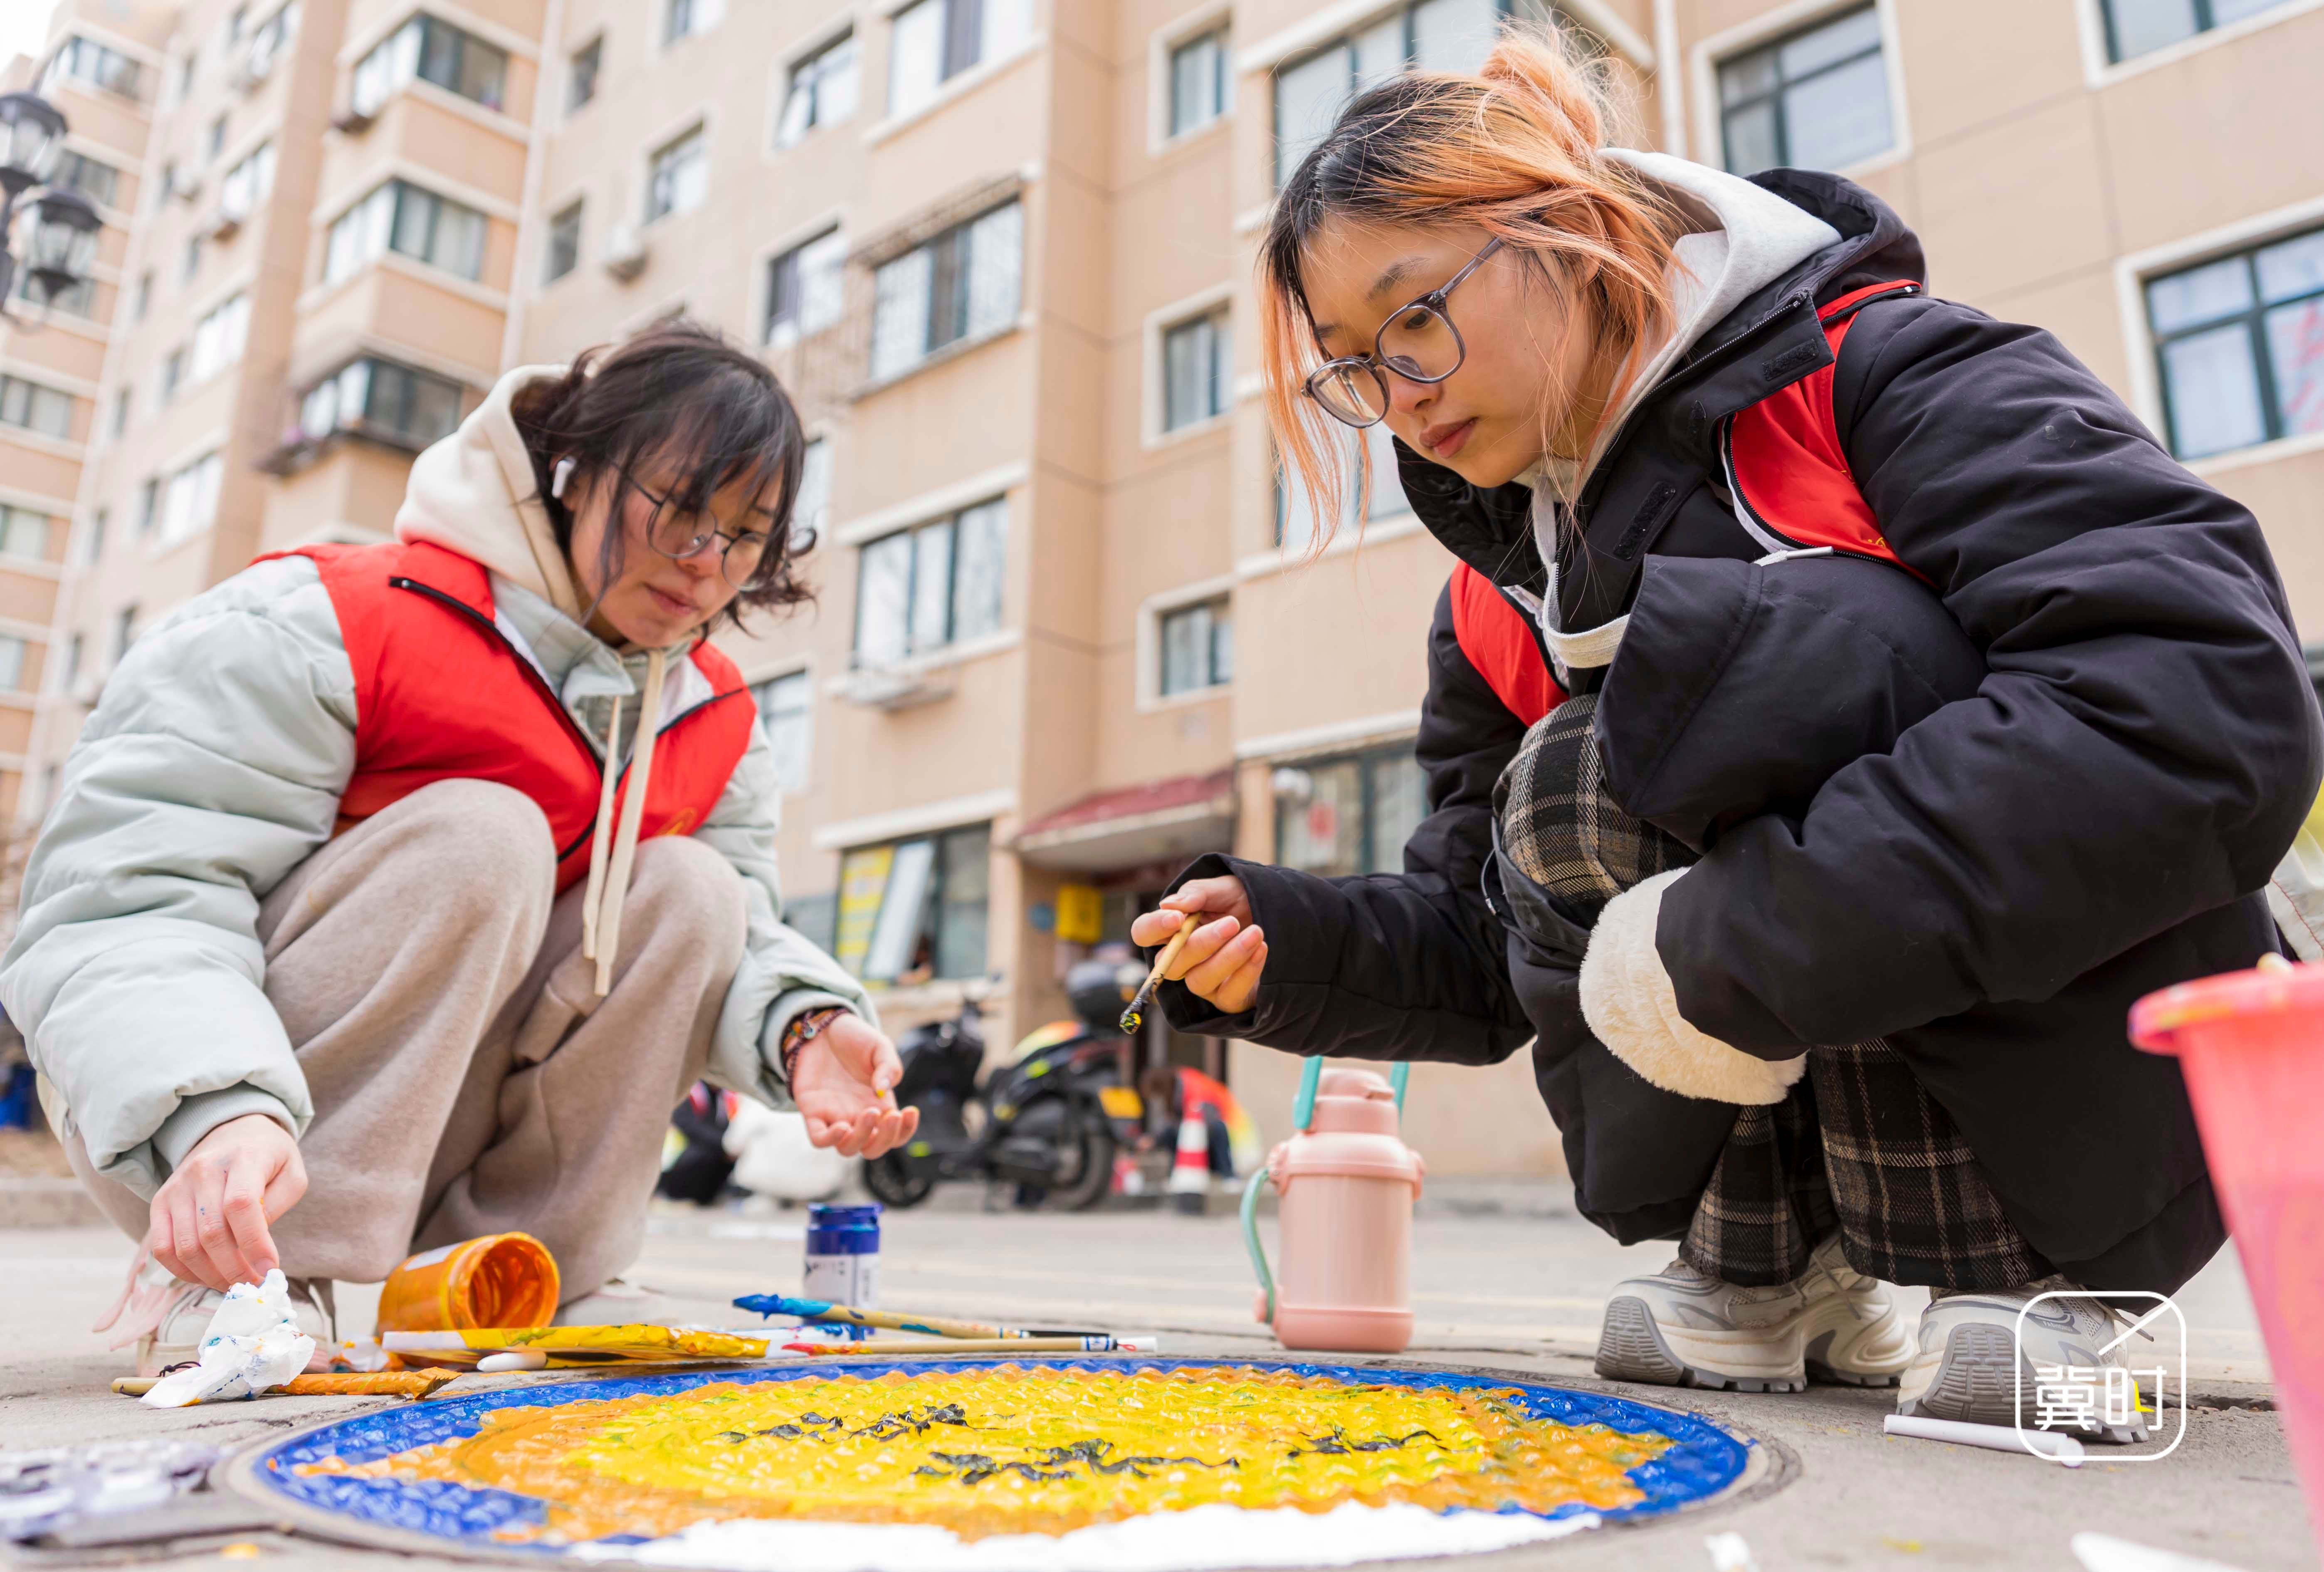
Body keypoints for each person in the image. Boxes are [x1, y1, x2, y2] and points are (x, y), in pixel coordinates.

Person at [1133, 29, 2322, 1439]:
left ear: (1568, 230)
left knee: (1778, 660)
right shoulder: (1497, 593)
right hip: (1777, 1056)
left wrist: (1730, 942)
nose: (1400, 394)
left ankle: (2052, 1284)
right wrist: (1288, 941)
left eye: (1416, 319)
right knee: (1564, 784)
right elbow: (1489, 923)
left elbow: (2195, 692)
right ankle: (1774, 1264)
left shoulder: (1880, 373)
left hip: (2097, 1090)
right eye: (1352, 369)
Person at [5, 323, 918, 1371]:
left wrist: (804, 1024)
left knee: (694, 889)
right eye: (676, 507)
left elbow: (739, 932)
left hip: (440, 1111)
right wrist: (213, 1107)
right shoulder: (329, 621)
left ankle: (521, 1277)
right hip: (201, 1125)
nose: (707, 563)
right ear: (572, 469)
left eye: (745, 534)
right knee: (486, 832)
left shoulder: (710, 717)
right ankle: (243, 1281)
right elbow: (128, 896)